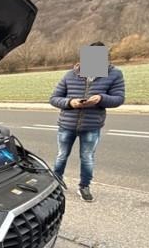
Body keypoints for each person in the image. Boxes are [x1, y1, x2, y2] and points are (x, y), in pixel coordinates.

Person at [49, 41, 125, 202]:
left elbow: (119, 99)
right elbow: (54, 98)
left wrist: (101, 98)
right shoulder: (70, 74)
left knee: (87, 157)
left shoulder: (115, 74)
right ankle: (56, 180)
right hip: (67, 124)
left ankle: (84, 186)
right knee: (62, 155)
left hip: (92, 125)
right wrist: (70, 102)